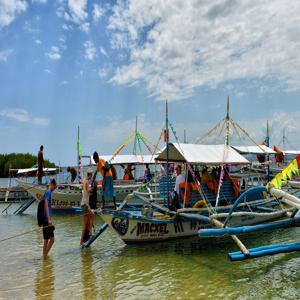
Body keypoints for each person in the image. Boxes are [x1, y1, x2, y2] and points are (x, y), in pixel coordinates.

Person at [43, 179, 56, 259]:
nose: (54, 188)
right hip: (47, 219)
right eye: (55, 186)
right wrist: (49, 219)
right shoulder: (48, 192)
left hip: (45, 219)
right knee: (52, 240)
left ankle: (44, 258)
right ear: (52, 184)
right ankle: (45, 256)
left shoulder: (46, 192)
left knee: (46, 240)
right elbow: (46, 205)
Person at [80, 169, 94, 245]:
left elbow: (85, 192)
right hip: (85, 204)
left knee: (91, 215)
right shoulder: (87, 181)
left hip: (84, 204)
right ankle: (88, 235)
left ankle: (88, 234)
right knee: (86, 222)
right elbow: (88, 190)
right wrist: (92, 189)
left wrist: (89, 192)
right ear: (90, 175)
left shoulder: (84, 181)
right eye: (91, 175)